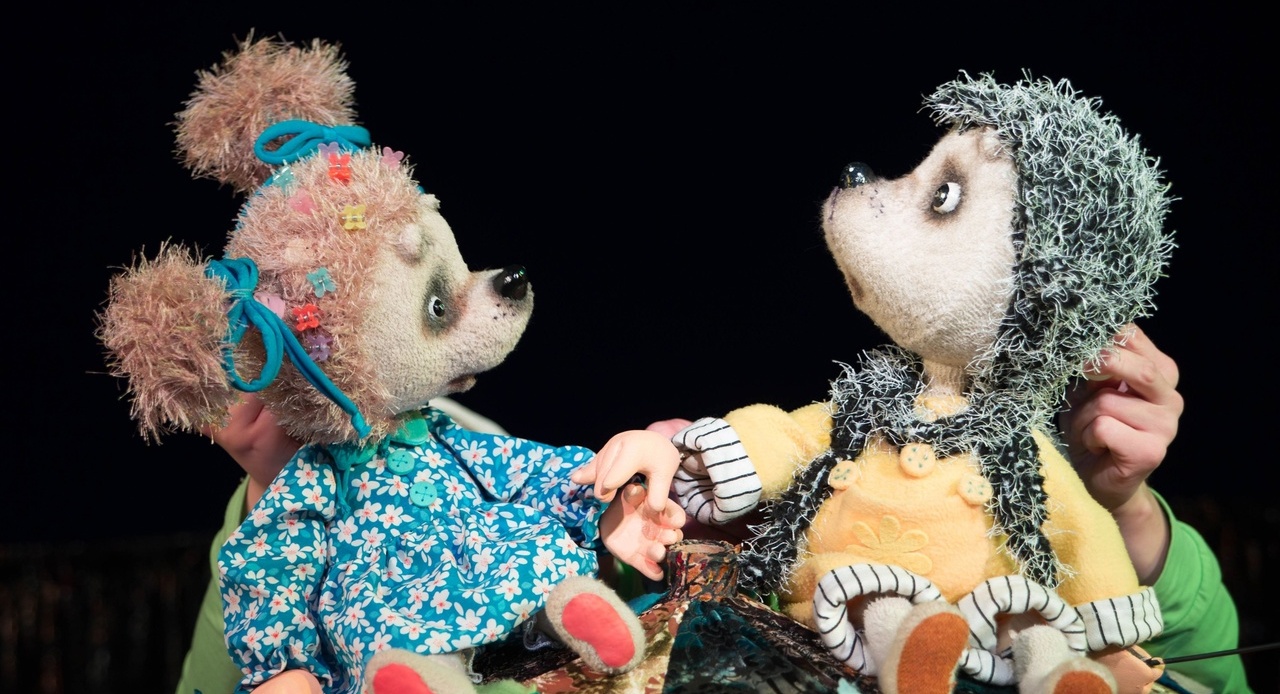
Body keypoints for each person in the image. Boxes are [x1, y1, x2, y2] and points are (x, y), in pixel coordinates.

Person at [177, 326, 1251, 694]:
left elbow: (1203, 681)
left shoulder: (859, 538)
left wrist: (1115, 518)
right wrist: (293, 504)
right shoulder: (444, 530)